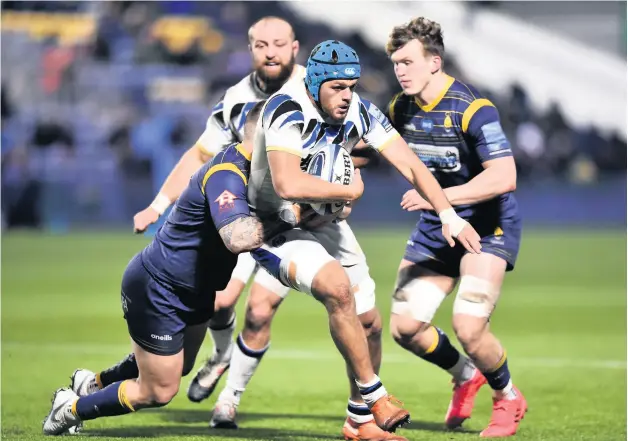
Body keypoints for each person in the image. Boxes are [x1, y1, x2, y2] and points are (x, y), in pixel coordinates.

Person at [244, 39, 482, 438]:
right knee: (338, 290)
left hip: (323, 220)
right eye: (337, 87)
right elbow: (286, 182)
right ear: (316, 82)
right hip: (274, 225)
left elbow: (409, 163)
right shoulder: (286, 108)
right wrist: (349, 192)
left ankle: (358, 422)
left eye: (351, 86)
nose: (346, 95)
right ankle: (376, 396)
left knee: (369, 323)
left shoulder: (359, 110)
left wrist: (448, 215)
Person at [42, 103, 292, 436]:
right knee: (159, 390)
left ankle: (92, 384)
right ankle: (69, 408)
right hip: (160, 286)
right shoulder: (228, 173)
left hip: (196, 288)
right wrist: (289, 214)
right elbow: (237, 237)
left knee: (181, 364)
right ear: (264, 135)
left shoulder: (259, 174)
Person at [130, 16, 304, 405]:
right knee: (222, 301)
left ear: (294, 47)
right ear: (250, 49)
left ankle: (365, 403)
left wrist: (339, 186)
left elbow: (352, 143)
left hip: (304, 219)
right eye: (262, 44)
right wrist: (158, 204)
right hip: (247, 214)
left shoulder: (314, 88)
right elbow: (199, 153)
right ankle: (222, 356)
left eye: (279, 43)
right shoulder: (236, 97)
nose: (270, 52)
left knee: (352, 312)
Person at [384, 17, 527, 438]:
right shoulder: (400, 108)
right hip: (435, 226)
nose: (401, 71)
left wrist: (439, 200)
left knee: (468, 326)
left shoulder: (473, 108)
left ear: (434, 62)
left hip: (487, 226)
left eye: (408, 61)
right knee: (405, 329)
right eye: (395, 64)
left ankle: (508, 397)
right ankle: (467, 374)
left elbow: (504, 176)